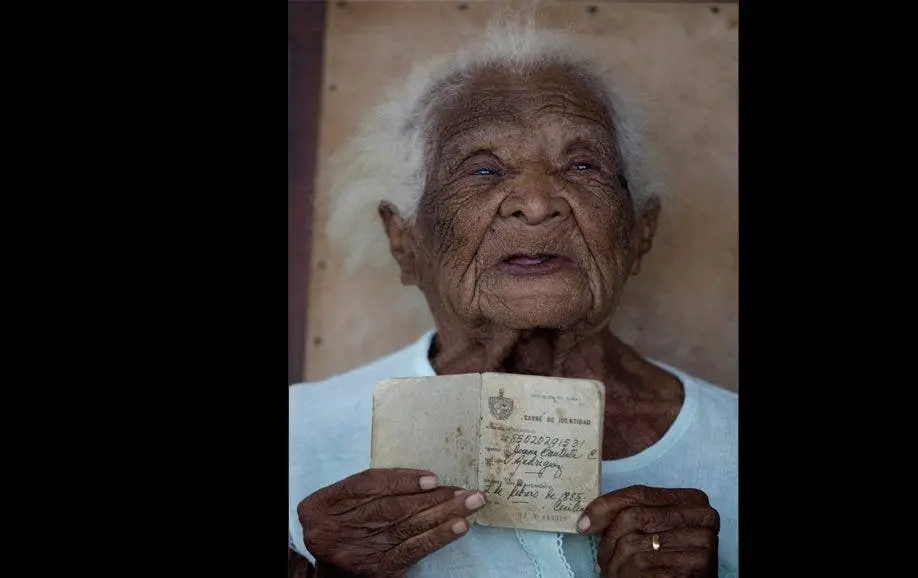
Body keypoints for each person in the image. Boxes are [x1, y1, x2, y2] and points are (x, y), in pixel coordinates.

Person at [289, 18, 738, 578]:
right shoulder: (300, 437)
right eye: (483, 168)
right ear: (405, 240)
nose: (535, 202)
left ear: (638, 232)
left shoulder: (732, 449)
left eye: (582, 165)